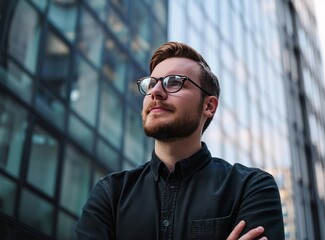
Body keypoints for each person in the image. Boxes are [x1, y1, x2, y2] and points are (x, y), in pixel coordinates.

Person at [75, 42, 284, 240]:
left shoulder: (251, 187)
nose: (155, 92)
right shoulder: (110, 194)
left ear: (209, 106)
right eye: (151, 84)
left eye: (174, 82)